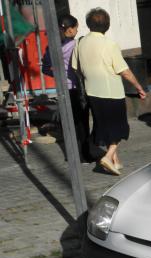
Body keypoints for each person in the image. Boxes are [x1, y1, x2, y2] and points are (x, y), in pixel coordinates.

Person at [72, 8, 146, 176]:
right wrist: (139, 87)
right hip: (111, 92)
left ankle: (115, 161)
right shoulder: (109, 44)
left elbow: (75, 67)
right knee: (119, 128)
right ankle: (108, 156)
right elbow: (124, 71)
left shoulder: (80, 43)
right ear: (107, 25)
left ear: (89, 24)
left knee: (104, 126)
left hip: (92, 92)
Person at [41, 14, 92, 162]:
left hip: (62, 90)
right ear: (69, 30)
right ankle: (85, 155)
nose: (77, 30)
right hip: (76, 90)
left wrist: (59, 76)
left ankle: (71, 155)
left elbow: (45, 69)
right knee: (81, 123)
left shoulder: (51, 47)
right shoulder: (77, 45)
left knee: (68, 125)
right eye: (76, 27)